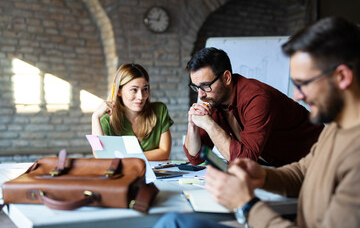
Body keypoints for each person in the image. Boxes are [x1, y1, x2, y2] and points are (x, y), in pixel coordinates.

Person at [154, 17, 360, 227]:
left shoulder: (355, 154)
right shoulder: (335, 129)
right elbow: (302, 173)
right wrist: (260, 175)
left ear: (342, 76)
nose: (297, 96)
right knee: (173, 220)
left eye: (303, 83)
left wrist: (246, 205)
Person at [184, 47, 323, 167]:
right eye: (196, 87)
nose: (201, 95)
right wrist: (192, 125)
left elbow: (243, 160)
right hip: (277, 166)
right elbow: (195, 158)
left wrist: (209, 125)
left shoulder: (257, 99)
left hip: (317, 160)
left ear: (226, 78)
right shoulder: (215, 100)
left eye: (205, 86)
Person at [92, 63, 174, 161]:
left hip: (157, 175)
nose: (141, 96)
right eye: (134, 90)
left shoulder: (159, 110)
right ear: (119, 91)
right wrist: (95, 117)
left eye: (145, 89)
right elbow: (99, 155)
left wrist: (124, 157)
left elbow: (165, 152)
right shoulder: (107, 119)